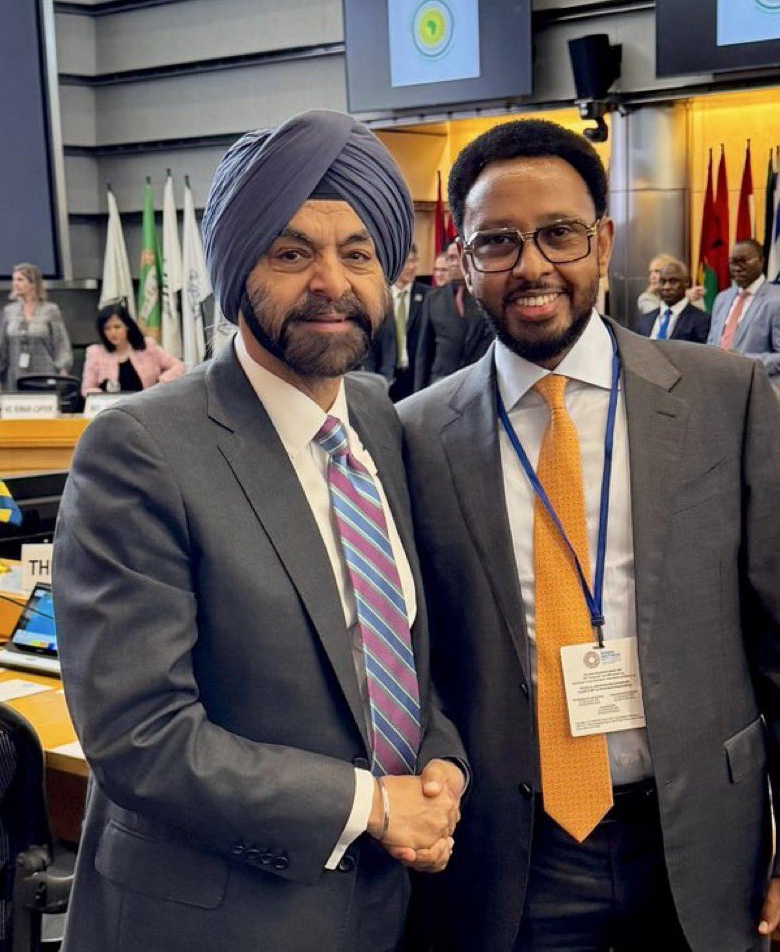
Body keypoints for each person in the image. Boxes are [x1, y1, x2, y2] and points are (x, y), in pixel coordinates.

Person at [398, 118, 780, 952]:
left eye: (559, 234)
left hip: (703, 838)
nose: (532, 266)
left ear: (603, 243)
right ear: (464, 258)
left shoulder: (726, 398)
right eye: (497, 241)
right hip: (513, 855)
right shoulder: (416, 434)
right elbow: (418, 662)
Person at [53, 109, 466, 952]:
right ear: (238, 267)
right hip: (210, 919)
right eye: (291, 253)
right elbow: (140, 736)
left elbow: (396, 655)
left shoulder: (379, 419)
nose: (331, 282)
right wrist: (370, 804)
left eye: (359, 253)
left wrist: (441, 767)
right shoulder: (142, 446)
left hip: (384, 906)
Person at [708, 239, 780, 385]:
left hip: (754, 388)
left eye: (744, 261)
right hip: (716, 384)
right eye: (733, 262)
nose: (737, 268)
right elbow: (711, 343)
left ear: (761, 261)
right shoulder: (722, 299)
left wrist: (740, 362)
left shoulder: (779, 301)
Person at [413, 240, 493, 390]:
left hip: (479, 380)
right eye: (451, 258)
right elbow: (424, 350)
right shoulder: (433, 298)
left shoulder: (486, 295)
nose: (455, 263)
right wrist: (419, 390)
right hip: (441, 380)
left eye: (459, 257)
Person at [363, 244, 430, 400]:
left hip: (416, 379)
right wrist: (371, 377)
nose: (411, 267)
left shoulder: (429, 296)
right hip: (385, 377)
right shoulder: (378, 297)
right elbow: (370, 342)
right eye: (406, 262)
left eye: (414, 260)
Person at [81, 301, 185, 395]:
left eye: (117, 327)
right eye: (107, 328)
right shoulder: (95, 353)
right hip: (112, 407)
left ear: (127, 326)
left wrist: (161, 382)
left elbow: (179, 366)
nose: (112, 333)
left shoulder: (148, 346)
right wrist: (102, 396)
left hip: (145, 405)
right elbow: (86, 389)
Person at [0, 263, 73, 390]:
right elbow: (3, 347)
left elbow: (61, 343)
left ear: (33, 283)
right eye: (14, 280)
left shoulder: (51, 310)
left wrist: (63, 371)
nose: (15, 283)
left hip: (45, 374)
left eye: (20, 280)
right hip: (16, 376)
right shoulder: (9, 311)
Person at [634, 258, 710, 343]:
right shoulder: (645, 320)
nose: (666, 287)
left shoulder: (701, 320)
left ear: (686, 282)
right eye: (663, 282)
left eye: (673, 282)